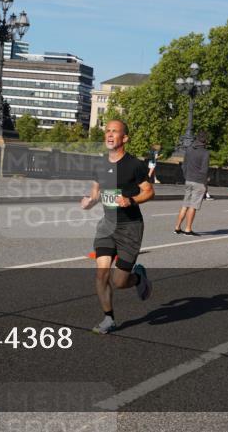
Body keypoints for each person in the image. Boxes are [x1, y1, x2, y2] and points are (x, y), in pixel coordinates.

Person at [81, 119, 155, 334]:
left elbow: (149, 192)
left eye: (115, 131)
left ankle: (138, 278)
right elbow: (96, 192)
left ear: (125, 138)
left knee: (120, 282)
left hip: (130, 227)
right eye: (107, 131)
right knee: (101, 274)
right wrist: (89, 201)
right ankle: (109, 319)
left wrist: (130, 200)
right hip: (107, 226)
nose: (110, 134)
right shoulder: (100, 164)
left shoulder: (134, 165)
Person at [174, 130, 210, 236]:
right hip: (199, 182)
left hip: (188, 180)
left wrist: (186, 176)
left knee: (185, 204)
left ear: (196, 138)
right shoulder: (205, 153)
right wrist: (206, 184)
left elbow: (184, 165)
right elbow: (204, 170)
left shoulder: (189, 149)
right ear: (205, 140)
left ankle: (177, 227)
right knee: (193, 206)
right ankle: (188, 229)